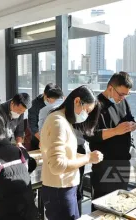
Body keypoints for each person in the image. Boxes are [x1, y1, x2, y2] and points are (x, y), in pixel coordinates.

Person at [40, 85, 104, 220]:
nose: (86, 115)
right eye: (86, 110)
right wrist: (87, 158)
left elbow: (64, 154)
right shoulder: (58, 122)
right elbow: (58, 165)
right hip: (59, 189)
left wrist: (87, 157)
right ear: (76, 101)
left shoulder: (63, 120)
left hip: (65, 187)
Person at [85, 72, 136, 201]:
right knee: (102, 203)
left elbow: (130, 119)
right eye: (121, 94)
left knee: (121, 201)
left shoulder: (123, 102)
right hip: (104, 164)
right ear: (110, 88)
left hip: (123, 162)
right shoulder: (95, 105)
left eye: (126, 94)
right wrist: (115, 131)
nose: (123, 98)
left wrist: (133, 126)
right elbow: (90, 135)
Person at [28, 83, 56, 150]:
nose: (52, 102)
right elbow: (33, 126)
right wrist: (43, 140)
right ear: (44, 94)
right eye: (50, 100)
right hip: (38, 139)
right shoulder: (34, 105)